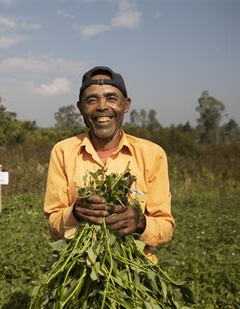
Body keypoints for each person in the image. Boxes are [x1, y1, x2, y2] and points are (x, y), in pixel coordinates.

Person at [44, 66, 175, 263]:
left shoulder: (152, 154)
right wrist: (74, 213)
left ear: (126, 105)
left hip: (136, 270)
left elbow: (165, 227)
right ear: (80, 108)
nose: (102, 107)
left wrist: (140, 222)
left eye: (111, 98)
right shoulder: (63, 151)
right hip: (78, 268)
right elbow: (54, 226)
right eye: (91, 100)